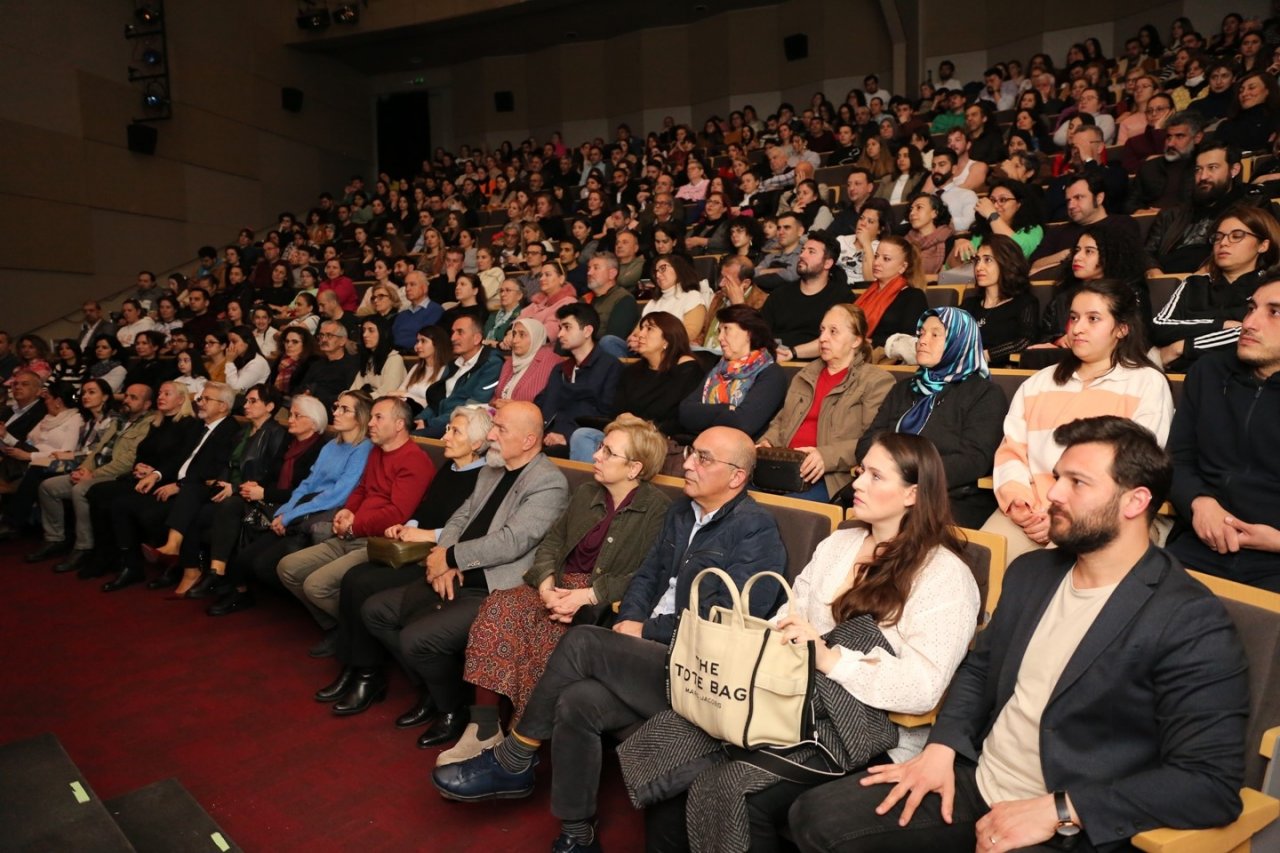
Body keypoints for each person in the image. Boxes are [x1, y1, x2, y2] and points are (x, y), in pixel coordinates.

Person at [791, 416, 1249, 853]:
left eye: (1078, 483)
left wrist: (1063, 809)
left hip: (1068, 819)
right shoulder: (1033, 573)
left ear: (1135, 501)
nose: (1054, 495)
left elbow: (1210, 782)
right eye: (1057, 478)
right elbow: (980, 669)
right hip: (975, 781)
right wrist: (942, 747)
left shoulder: (1188, 618)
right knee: (814, 818)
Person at [430, 427, 784, 853]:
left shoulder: (755, 529)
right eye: (691, 453)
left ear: (736, 476)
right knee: (577, 700)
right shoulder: (682, 512)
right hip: (645, 650)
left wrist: (644, 630)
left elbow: (731, 618)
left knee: (582, 642)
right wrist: (630, 620)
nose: (687, 463)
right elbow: (647, 576)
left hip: (696, 667)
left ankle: (515, 757)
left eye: (703, 459)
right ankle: (578, 832)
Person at [644, 433, 982, 851]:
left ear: (913, 493)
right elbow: (789, 614)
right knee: (672, 759)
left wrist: (830, 659)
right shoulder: (840, 542)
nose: (857, 483)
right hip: (791, 701)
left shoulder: (944, 575)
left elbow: (924, 687)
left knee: (732, 788)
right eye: (861, 472)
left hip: (865, 730)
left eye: (876, 476)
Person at [456, 415, 671, 759]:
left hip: (598, 598)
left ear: (634, 468)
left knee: (547, 638)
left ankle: (519, 743)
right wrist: (545, 585)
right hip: (555, 585)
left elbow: (646, 574)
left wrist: (587, 595)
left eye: (608, 451)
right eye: (599, 447)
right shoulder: (587, 493)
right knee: (499, 607)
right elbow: (552, 544)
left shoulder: (657, 510)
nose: (596, 456)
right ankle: (483, 727)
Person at [362, 401, 570, 746]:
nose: (490, 435)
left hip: (495, 587)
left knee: (417, 640)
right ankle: (436, 689)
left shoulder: (549, 483)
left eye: (500, 429)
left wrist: (452, 557)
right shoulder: (492, 469)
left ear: (529, 440)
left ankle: (450, 709)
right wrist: (445, 556)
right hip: (459, 570)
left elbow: (512, 542)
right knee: (376, 612)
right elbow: (460, 517)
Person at [987, 280, 1175, 562]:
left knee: (1049, 584)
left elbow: (1132, 469)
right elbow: (1011, 452)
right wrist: (1020, 504)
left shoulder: (1146, 384)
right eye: (1074, 317)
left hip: (1100, 517)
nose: (1077, 328)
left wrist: (1063, 515)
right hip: (1032, 510)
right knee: (982, 562)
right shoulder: (1039, 382)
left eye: (1093, 319)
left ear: (1122, 328)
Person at [317, 405, 491, 707]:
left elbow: (466, 530)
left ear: (476, 444)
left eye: (455, 431)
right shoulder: (449, 469)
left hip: (433, 555)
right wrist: (406, 526)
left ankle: (369, 675)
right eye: (448, 429)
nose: (446, 436)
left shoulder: (483, 478)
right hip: (414, 547)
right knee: (355, 578)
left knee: (363, 584)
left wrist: (424, 535)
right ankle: (357, 668)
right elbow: (424, 509)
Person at [277, 396, 435, 656]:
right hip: (351, 531)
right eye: (371, 416)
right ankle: (342, 628)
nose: (370, 423)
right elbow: (362, 489)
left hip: (375, 541)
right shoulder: (376, 451)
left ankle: (352, 633)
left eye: (377, 417)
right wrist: (347, 511)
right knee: (288, 568)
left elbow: (397, 512)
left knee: (316, 585)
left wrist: (353, 525)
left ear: (398, 424)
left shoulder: (413, 460)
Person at [207, 390, 372, 615]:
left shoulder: (363, 448)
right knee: (246, 557)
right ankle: (237, 590)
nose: (336, 412)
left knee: (262, 564)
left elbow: (338, 495)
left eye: (345, 409)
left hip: (322, 515)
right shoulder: (332, 445)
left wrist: (290, 515)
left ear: (360, 417)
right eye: (336, 406)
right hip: (301, 511)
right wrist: (286, 511)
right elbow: (306, 484)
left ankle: (308, 607)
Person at [1165, 275, 1280, 592]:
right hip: (1201, 541)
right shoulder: (1208, 372)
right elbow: (1178, 459)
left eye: (1275, 312)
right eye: (1251, 308)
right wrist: (1199, 503)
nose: (1250, 323)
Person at [143, 384, 289, 597]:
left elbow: (269, 477)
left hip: (248, 497)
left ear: (270, 406)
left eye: (253, 401)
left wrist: (235, 488)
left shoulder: (276, 433)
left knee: (193, 499)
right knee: (192, 505)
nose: (246, 406)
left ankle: (193, 567)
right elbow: (227, 465)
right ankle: (189, 568)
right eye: (246, 401)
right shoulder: (245, 431)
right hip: (227, 489)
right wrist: (220, 481)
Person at [97, 382, 240, 592]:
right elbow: (178, 459)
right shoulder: (200, 427)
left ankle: (176, 560)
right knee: (120, 504)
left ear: (223, 406)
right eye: (200, 398)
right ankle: (131, 565)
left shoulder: (230, 430)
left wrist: (180, 485)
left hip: (197, 489)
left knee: (149, 513)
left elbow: (213, 470)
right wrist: (156, 474)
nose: (200, 403)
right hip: (177, 483)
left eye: (206, 399)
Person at [199, 394, 329, 614]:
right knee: (229, 506)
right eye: (291, 414)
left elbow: (302, 491)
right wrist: (256, 486)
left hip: (288, 505)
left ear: (314, 421)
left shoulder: (319, 448)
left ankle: (234, 588)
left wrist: (264, 492)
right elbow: (271, 474)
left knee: (230, 517)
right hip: (270, 499)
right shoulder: (290, 442)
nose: (291, 419)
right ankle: (217, 572)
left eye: (298, 416)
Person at [759, 305, 895, 502]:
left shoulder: (876, 381)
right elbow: (782, 420)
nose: (823, 338)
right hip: (784, 467)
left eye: (833, 332)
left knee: (791, 508)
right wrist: (768, 442)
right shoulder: (805, 375)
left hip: (831, 476)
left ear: (856, 340)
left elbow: (874, 440)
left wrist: (826, 456)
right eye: (822, 330)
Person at [32, 383, 153, 571]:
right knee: (48, 487)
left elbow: (127, 461)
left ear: (147, 405)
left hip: (116, 476)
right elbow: (96, 449)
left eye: (134, 398)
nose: (127, 400)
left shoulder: (148, 424)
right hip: (94, 470)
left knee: (81, 489)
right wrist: (82, 469)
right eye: (127, 396)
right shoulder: (118, 420)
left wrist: (92, 474)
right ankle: (55, 538)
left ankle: (84, 547)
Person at [1153, 205, 1280, 371]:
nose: (1224, 243)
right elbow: (1159, 327)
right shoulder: (1194, 283)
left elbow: (1252, 333)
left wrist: (1183, 347)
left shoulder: (1271, 287)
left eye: (1237, 236)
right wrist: (1222, 324)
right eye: (1218, 237)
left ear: (1263, 245)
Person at [570, 312, 704, 462]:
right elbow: (618, 411)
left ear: (668, 338)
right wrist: (623, 420)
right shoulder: (631, 371)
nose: (640, 334)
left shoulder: (687, 369)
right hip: (626, 435)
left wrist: (642, 425)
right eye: (641, 328)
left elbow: (681, 418)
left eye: (649, 329)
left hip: (659, 440)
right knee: (583, 435)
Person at [1145, 141, 1267, 275]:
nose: (1203, 176)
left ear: (1234, 170)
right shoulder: (1172, 213)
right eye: (1198, 170)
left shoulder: (1253, 206)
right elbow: (1147, 252)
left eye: (1212, 167)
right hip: (1165, 282)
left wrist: (1205, 274)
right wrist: (1154, 272)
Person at [763, 231, 855, 362]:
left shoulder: (842, 297)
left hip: (819, 366)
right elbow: (761, 334)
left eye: (811, 252)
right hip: (775, 362)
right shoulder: (779, 294)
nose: (802, 255)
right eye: (803, 250)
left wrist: (792, 353)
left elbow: (836, 341)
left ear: (827, 263)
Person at [415, 313, 503, 438]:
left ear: (476, 338)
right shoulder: (454, 363)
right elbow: (437, 400)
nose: (453, 338)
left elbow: (473, 407)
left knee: (408, 439)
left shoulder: (491, 363)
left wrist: (429, 423)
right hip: (440, 421)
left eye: (460, 332)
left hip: (463, 425)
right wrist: (419, 420)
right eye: (453, 332)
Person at [960, 234, 1040, 367]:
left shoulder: (1025, 303)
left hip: (1001, 375)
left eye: (988, 260)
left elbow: (1024, 342)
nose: (979, 267)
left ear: (1007, 263)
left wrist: (984, 355)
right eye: (978, 260)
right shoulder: (969, 304)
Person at [855, 236, 930, 349]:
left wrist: (870, 342)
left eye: (886, 259)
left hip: (886, 359)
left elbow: (909, 339)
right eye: (876, 256)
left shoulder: (913, 296)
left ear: (902, 267)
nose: (876, 262)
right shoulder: (868, 293)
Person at [639, 254, 707, 344]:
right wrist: (634, 340)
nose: (658, 275)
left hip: (673, 353)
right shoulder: (652, 302)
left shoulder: (693, 297)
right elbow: (636, 333)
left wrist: (656, 342)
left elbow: (689, 334)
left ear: (678, 269)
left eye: (663, 268)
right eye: (656, 272)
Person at [493, 318, 560, 407]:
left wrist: (516, 407)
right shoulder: (510, 361)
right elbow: (496, 397)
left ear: (535, 336)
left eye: (522, 335)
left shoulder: (550, 361)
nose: (515, 340)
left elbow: (549, 404)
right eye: (514, 334)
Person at [293, 321, 360, 409]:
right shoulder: (316, 364)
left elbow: (350, 395)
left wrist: (318, 400)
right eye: (321, 335)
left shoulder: (352, 365)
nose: (323, 340)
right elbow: (300, 388)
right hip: (309, 407)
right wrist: (305, 393)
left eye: (329, 335)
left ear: (342, 341)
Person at [519, 260, 579, 341]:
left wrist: (518, 334)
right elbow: (518, 320)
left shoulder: (569, 303)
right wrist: (510, 333)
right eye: (541, 275)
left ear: (561, 279)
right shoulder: (538, 300)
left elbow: (548, 334)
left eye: (547, 275)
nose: (541, 279)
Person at [348, 318, 407, 398]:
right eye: (364, 330)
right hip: (367, 402)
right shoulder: (369, 358)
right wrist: (345, 397)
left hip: (387, 406)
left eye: (371, 330)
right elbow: (355, 388)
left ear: (383, 333)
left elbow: (386, 393)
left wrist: (358, 399)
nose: (365, 335)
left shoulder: (395, 359)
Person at [903, 194, 953, 277]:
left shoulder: (949, 240)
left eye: (919, 207)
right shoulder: (904, 241)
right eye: (911, 209)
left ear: (934, 213)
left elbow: (950, 278)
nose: (912, 213)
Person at [223, 326, 271, 394]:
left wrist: (229, 362)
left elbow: (236, 389)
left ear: (247, 342)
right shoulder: (239, 359)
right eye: (229, 342)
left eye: (234, 342)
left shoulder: (257, 363)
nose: (230, 346)